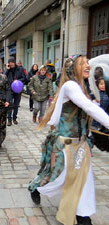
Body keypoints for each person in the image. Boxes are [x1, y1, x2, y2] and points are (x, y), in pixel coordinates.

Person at [28, 56, 109, 225]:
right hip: (65, 145)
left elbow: (89, 108)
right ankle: (35, 187)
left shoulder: (83, 87)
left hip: (81, 144)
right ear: (74, 69)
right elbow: (89, 107)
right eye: (83, 63)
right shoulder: (70, 86)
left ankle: (82, 215)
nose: (88, 65)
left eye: (88, 62)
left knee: (85, 180)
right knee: (55, 178)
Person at [5, 57, 25, 126]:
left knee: (16, 104)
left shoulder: (20, 69)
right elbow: (4, 77)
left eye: (12, 62)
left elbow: (24, 78)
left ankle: (14, 118)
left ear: (14, 62)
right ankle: (9, 120)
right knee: (10, 105)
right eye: (9, 63)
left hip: (17, 89)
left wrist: (18, 81)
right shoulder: (8, 70)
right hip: (9, 89)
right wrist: (7, 70)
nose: (11, 64)